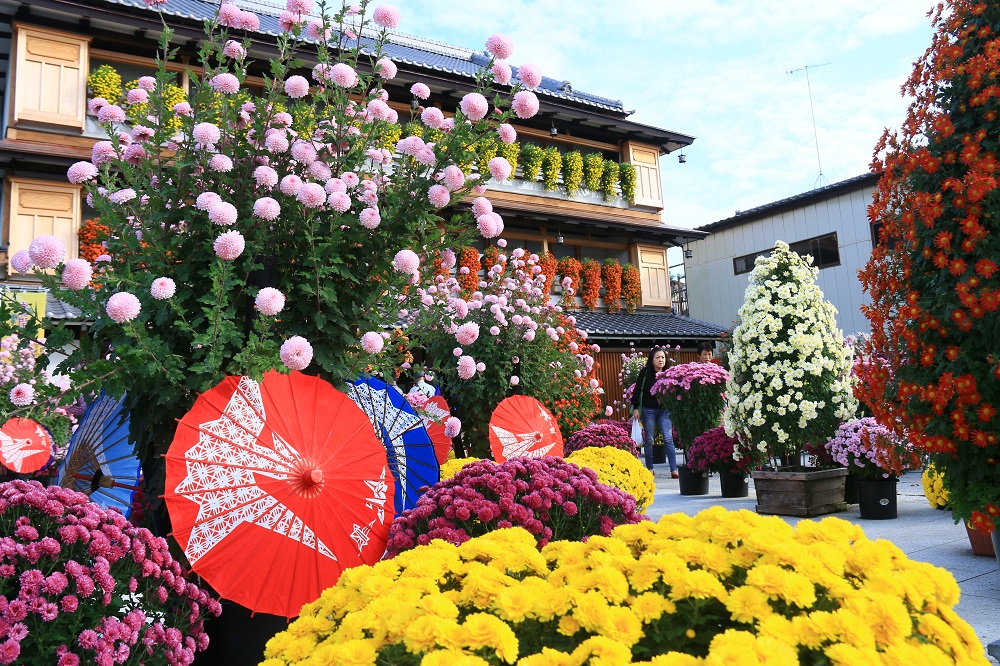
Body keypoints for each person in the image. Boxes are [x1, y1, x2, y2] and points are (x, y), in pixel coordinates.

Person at [630, 346, 678, 476]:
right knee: (649, 439)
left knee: (668, 438)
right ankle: (650, 468)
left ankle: (674, 469)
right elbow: (637, 390)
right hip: (648, 410)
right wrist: (635, 408)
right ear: (652, 360)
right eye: (657, 357)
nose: (660, 360)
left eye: (663, 357)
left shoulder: (669, 373)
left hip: (665, 411)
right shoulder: (645, 373)